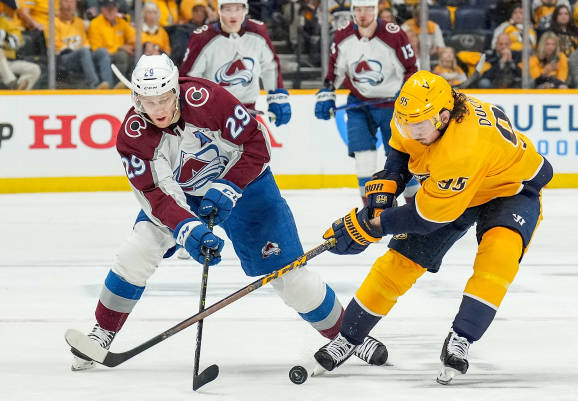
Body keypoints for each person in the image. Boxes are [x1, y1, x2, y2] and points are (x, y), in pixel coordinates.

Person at [70, 54, 388, 371]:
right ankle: (102, 332)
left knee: (292, 278)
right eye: (149, 102)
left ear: (175, 91)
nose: (159, 110)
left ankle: (349, 338)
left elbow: (256, 145)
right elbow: (156, 194)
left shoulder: (208, 99)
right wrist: (188, 229)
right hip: (183, 196)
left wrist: (229, 185)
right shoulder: (133, 136)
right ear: (135, 99)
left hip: (248, 186)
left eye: (165, 99)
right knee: (137, 251)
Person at [312, 70, 553, 384]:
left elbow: (425, 219)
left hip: (510, 189)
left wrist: (374, 225)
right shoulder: (421, 112)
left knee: (498, 259)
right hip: (461, 187)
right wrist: (390, 181)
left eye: (419, 125)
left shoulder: (461, 149)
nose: (410, 130)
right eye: (405, 121)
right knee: (400, 260)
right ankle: (349, 337)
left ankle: (462, 338)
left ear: (443, 117)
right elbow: (401, 148)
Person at [314, 0, 417, 206]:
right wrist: (327, 93)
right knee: (364, 160)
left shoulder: (394, 34)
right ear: (352, 11)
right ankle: (373, 211)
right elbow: (334, 71)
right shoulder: (342, 35)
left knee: (401, 159)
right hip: (359, 105)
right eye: (358, 9)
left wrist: (407, 96)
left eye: (368, 9)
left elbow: (411, 69)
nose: (363, 14)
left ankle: (414, 208)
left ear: (376, 10)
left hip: (393, 107)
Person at [179, 0, 291, 128]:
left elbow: (270, 66)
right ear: (220, 10)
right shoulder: (203, 37)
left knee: (248, 147)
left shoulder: (257, 31)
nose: (233, 15)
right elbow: (189, 76)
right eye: (228, 9)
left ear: (245, 10)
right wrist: (190, 104)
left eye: (238, 9)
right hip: (214, 112)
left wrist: (276, 96)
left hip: (248, 110)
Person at [55, 0, 111, 89]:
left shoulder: (80, 22)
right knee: (84, 51)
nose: (69, 5)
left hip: (82, 56)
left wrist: (83, 50)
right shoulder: (54, 22)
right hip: (64, 58)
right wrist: (77, 50)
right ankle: (94, 85)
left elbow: (85, 42)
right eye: (66, 1)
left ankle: (108, 85)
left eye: (72, 2)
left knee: (102, 52)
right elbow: (55, 44)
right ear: (59, 4)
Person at [87, 0, 135, 88]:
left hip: (116, 54)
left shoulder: (121, 22)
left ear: (117, 9)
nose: (110, 11)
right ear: (102, 9)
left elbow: (134, 39)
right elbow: (96, 48)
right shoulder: (95, 23)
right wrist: (119, 47)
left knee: (124, 55)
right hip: (99, 56)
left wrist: (130, 46)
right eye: (107, 8)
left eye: (112, 8)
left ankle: (120, 84)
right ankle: (109, 85)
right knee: (105, 53)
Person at [0, 12, 41, 90]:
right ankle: (12, 83)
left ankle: (18, 94)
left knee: (34, 69)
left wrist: (5, 37)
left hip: (6, 63)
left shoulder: (4, 22)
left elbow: (16, 43)